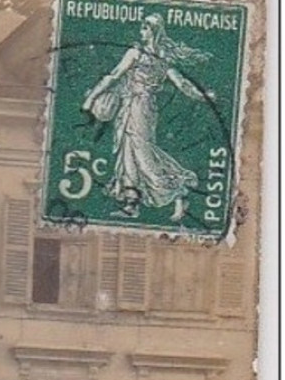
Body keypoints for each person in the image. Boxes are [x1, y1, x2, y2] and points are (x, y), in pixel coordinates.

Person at [82, 14, 213, 223]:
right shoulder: (160, 58)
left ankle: (178, 191)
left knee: (143, 154)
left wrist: (91, 98)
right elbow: (183, 85)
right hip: (135, 107)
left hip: (140, 107)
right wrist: (204, 96)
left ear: (153, 31)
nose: (141, 33)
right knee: (129, 154)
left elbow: (115, 75)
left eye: (144, 29)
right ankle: (131, 204)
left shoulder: (140, 54)